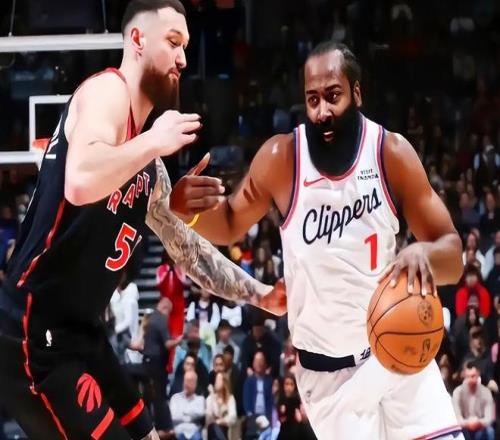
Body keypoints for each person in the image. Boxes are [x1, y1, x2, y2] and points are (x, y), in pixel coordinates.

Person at [0, 1, 285, 439]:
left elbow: (189, 253)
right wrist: (153, 141)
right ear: (137, 40)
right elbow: (80, 181)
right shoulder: (107, 92)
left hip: (82, 334)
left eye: (186, 46)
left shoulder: (150, 170)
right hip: (32, 333)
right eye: (173, 42)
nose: (183, 59)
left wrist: (260, 295)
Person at [172, 41, 465, 439]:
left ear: (356, 93)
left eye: (333, 96)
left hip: (399, 351)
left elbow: (453, 257)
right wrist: (188, 211)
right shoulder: (282, 158)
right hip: (330, 379)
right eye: (313, 100)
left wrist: (424, 253)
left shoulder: (391, 153)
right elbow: (228, 223)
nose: (322, 110)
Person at [142, 297, 181, 439]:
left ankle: (146, 425)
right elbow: (167, 344)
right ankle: (163, 426)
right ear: (165, 308)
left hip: (147, 360)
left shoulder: (150, 318)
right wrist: (178, 340)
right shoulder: (161, 319)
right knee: (159, 395)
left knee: (148, 394)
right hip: (156, 362)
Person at [452, 362, 495, 440]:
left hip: (480, 426)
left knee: (490, 431)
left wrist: (478, 422)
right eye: (467, 376)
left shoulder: (486, 392)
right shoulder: (457, 392)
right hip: (464, 427)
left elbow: (489, 418)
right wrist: (468, 423)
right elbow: (457, 418)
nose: (470, 380)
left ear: (478, 374)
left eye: (473, 376)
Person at [170, 370, 205, 440]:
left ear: (195, 384)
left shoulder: (200, 399)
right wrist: (190, 418)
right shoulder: (175, 398)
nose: (186, 383)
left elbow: (200, 413)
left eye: (190, 381)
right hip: (179, 432)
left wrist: (183, 412)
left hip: (194, 432)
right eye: (185, 380)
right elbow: (173, 416)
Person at [205, 372, 237, 440]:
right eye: (216, 380)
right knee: (214, 426)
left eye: (218, 380)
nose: (216, 382)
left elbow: (233, 417)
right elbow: (213, 415)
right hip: (211, 430)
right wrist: (212, 395)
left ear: (224, 383)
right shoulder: (210, 398)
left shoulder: (230, 398)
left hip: (224, 430)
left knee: (218, 427)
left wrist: (220, 421)